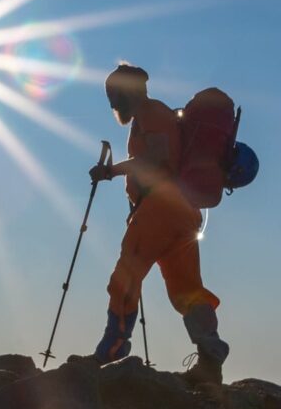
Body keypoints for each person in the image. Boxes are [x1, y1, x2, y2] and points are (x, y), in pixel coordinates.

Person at [85, 63, 230, 380]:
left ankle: (112, 351)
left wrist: (111, 172)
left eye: (113, 95)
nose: (112, 103)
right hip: (182, 211)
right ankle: (210, 358)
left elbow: (156, 160)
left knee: (125, 277)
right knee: (186, 289)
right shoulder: (152, 115)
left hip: (159, 209)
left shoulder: (151, 114)